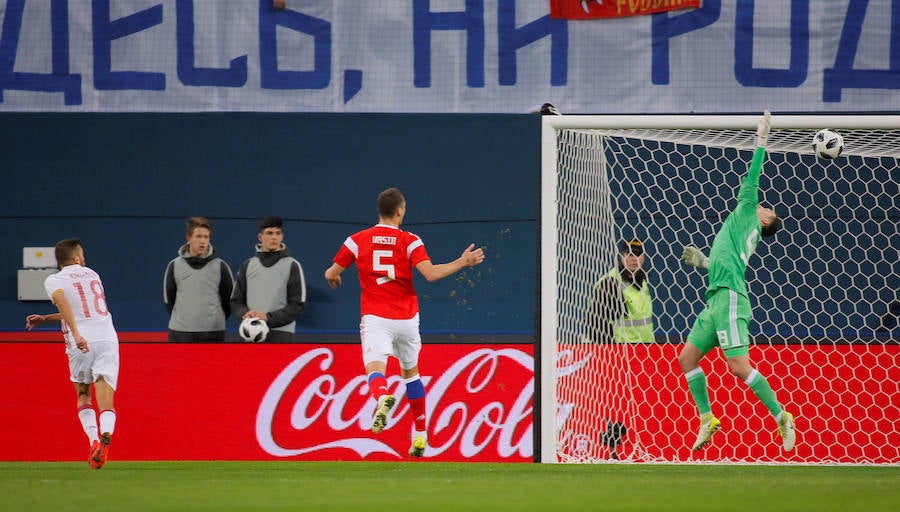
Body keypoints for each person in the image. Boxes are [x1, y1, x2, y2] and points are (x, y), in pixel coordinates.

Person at [324, 187, 485, 458]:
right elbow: (431, 274)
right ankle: (420, 435)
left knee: (375, 369)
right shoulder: (410, 240)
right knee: (411, 374)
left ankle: (382, 397)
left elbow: (331, 271)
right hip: (407, 319)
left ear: (379, 210)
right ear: (400, 211)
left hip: (376, 317)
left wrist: (333, 276)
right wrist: (462, 262)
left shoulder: (356, 240)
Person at [678, 110, 796, 452]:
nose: (764, 205)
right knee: (687, 359)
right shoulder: (744, 228)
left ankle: (781, 416)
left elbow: (753, 175)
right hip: (716, 298)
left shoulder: (747, 213)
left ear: (766, 220)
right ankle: (706, 418)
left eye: (768, 209)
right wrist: (704, 262)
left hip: (730, 298)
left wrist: (762, 139)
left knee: (738, 367)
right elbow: (725, 263)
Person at [24, 238, 120, 469]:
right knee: (106, 397)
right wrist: (46, 319)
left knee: (83, 395)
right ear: (77, 258)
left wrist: (76, 334)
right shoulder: (93, 274)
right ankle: (107, 434)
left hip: (81, 343)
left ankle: (94, 440)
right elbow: (80, 309)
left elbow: (63, 302)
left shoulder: (54, 280)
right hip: (107, 338)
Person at [231, 216, 306, 342]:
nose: (274, 237)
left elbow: (297, 306)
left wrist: (267, 318)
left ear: (282, 237)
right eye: (269, 233)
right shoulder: (248, 265)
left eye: (278, 233)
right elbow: (236, 301)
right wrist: (246, 314)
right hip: (249, 334)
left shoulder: (292, 265)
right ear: (260, 237)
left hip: (281, 335)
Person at [163, 216, 234, 342]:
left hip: (213, 334)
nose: (203, 241)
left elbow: (229, 300)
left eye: (206, 237)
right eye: (198, 236)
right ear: (188, 238)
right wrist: (184, 320)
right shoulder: (174, 265)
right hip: (180, 333)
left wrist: (213, 321)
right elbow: (169, 300)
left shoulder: (221, 266)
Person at [583, 239, 654, 344]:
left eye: (638, 255)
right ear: (622, 256)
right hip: (621, 347)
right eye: (630, 254)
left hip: (646, 345)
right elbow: (594, 322)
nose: (634, 259)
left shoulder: (642, 282)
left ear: (643, 258)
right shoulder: (609, 283)